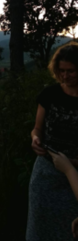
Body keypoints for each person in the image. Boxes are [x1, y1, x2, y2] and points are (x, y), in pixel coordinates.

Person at [28, 41, 78, 240]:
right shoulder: (49, 94)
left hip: (75, 176)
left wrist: (71, 165)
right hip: (45, 173)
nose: (65, 76)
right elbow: (37, 128)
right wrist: (35, 139)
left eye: (71, 71)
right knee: (40, 227)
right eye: (61, 70)